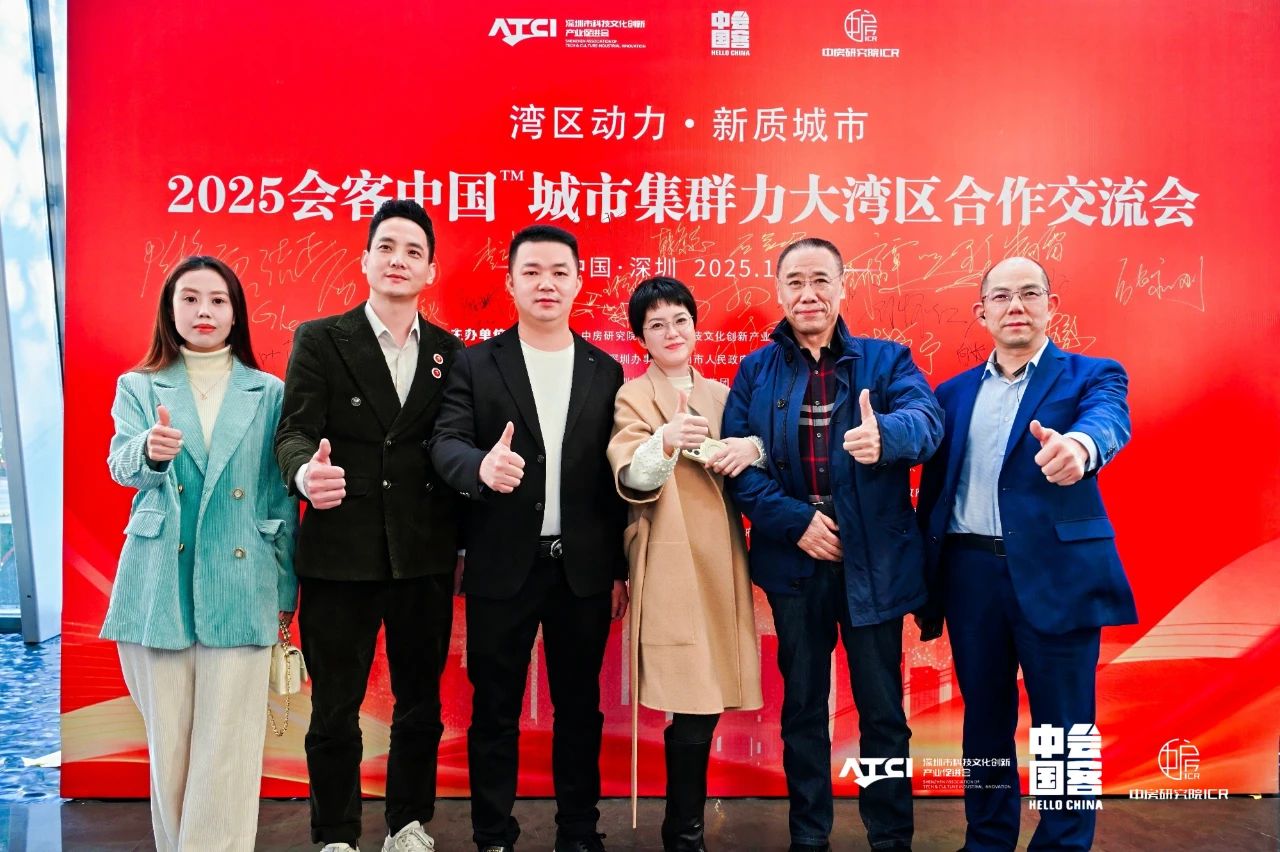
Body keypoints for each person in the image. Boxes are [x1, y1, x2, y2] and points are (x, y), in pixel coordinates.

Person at [722, 238, 942, 852]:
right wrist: (796, 522)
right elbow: (737, 466)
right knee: (802, 709)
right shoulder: (755, 371)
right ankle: (808, 835)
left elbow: (927, 422)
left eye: (821, 280)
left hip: (873, 561)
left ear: (843, 287)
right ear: (779, 292)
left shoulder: (888, 361)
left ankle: (889, 836)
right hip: (794, 560)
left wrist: (887, 435)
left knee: (882, 712)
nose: (808, 294)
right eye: (795, 282)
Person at [916, 256, 1137, 852]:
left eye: (1030, 293)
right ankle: (987, 839)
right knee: (984, 720)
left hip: (1057, 575)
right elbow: (935, 491)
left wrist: (1080, 447)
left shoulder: (1092, 374)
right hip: (970, 575)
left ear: (1050, 306)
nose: (1016, 305)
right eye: (1002, 296)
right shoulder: (951, 394)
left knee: (1066, 727)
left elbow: (1108, 420)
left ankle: (1064, 844)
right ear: (981, 312)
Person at [431, 224, 628, 852]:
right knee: (494, 709)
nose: (547, 283)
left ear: (578, 282)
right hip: (501, 566)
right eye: (532, 271)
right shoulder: (474, 363)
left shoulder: (605, 369)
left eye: (559, 271)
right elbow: (445, 442)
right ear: (511, 283)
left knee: (580, 709)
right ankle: (493, 833)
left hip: (582, 571)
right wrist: (480, 468)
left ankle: (579, 829)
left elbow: (613, 479)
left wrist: (618, 569)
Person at [274, 199, 463, 852]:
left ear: (431, 271)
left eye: (413, 251)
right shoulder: (321, 339)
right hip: (340, 553)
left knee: (420, 704)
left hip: (424, 555)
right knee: (334, 707)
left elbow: (454, 446)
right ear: (365, 260)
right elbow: (293, 431)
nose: (398, 260)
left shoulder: (450, 353)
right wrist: (305, 475)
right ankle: (336, 835)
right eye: (386, 246)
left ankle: (408, 824)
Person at [102, 255, 298, 852]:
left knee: (229, 748)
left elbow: (279, 499)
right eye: (189, 298)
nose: (204, 311)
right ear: (170, 309)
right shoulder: (138, 386)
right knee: (171, 746)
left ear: (236, 313)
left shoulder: (268, 392)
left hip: (243, 580)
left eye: (217, 300)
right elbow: (120, 465)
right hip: (158, 581)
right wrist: (150, 451)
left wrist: (284, 591)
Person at [605, 277, 764, 852]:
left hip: (721, 558)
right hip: (669, 558)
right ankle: (684, 832)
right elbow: (631, 474)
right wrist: (664, 441)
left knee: (708, 696)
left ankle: (683, 828)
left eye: (680, 320)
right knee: (692, 693)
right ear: (641, 339)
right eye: (656, 325)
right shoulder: (631, 396)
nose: (671, 332)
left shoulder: (725, 394)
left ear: (696, 328)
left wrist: (751, 449)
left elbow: (762, 452)